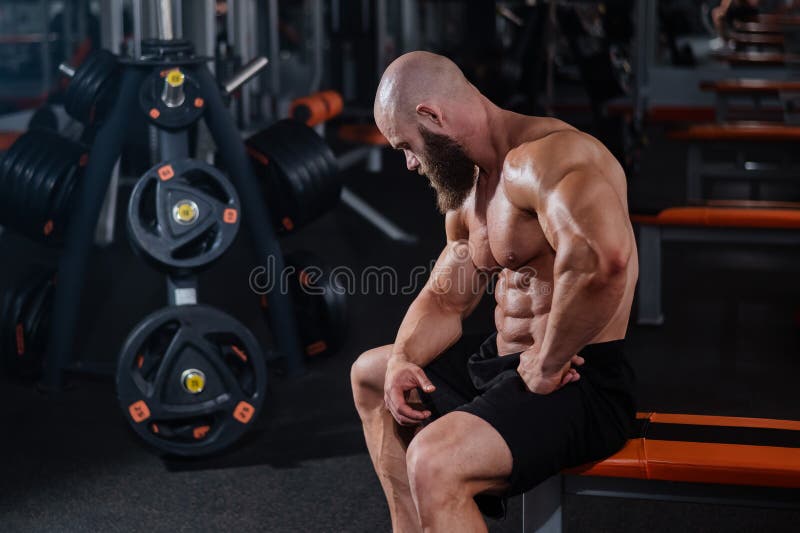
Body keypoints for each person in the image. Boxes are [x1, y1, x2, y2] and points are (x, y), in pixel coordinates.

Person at [350, 51, 638, 532]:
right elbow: (446, 299)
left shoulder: (552, 157)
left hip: (577, 382)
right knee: (372, 375)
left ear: (432, 116)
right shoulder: (470, 191)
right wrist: (403, 359)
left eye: (407, 145)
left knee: (434, 461)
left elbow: (602, 261)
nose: (408, 163)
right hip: (506, 366)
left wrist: (547, 362)